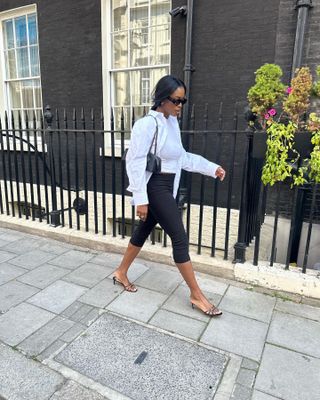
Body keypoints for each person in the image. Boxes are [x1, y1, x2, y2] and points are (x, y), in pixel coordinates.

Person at [112, 75, 226, 316]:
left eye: (183, 100)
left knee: (143, 231)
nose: (180, 105)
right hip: (154, 186)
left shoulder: (172, 123)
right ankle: (196, 295)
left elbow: (181, 158)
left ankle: (121, 272)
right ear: (162, 99)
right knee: (179, 237)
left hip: (167, 186)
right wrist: (140, 198)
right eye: (176, 100)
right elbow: (135, 160)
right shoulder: (147, 124)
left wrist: (211, 168)